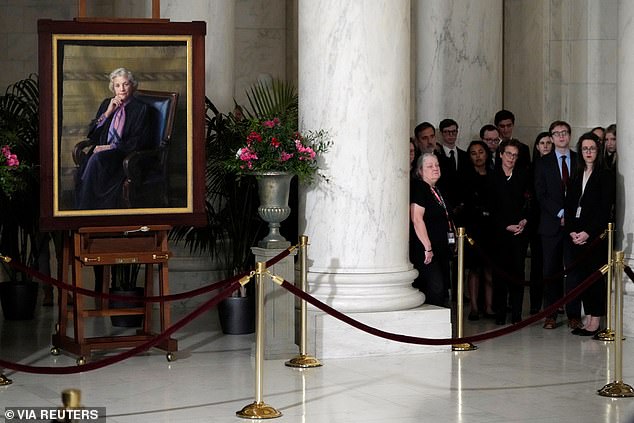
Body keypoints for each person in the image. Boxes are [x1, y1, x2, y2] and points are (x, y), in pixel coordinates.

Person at [75, 67, 150, 209]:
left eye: (126, 84)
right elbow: (92, 134)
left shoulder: (141, 109)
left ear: (132, 86)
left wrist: (111, 147)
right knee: (88, 160)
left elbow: (139, 141)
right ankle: (85, 209)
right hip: (103, 153)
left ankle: (84, 209)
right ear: (113, 88)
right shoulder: (106, 103)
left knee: (96, 160)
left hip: (123, 155)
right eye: (117, 85)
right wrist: (108, 112)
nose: (121, 89)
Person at [564, 132, 615, 336]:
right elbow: (569, 206)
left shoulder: (606, 175)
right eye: (585, 149)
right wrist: (572, 232)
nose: (588, 152)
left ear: (598, 150)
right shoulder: (577, 174)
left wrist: (587, 233)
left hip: (594, 237)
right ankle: (588, 318)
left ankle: (596, 320)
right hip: (576, 236)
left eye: (592, 148)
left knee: (594, 279)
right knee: (581, 278)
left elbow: (604, 210)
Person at [534, 120, 578, 329]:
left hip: (574, 226)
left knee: (573, 269)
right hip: (551, 225)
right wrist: (560, 213)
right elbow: (540, 194)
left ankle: (573, 314)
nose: (561, 136)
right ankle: (550, 314)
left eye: (564, 132)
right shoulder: (543, 163)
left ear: (569, 135)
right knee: (550, 270)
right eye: (557, 133)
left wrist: (570, 215)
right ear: (551, 138)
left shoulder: (579, 160)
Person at [489, 139, 531, 324]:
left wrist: (524, 220)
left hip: (519, 233)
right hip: (499, 233)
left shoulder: (523, 175)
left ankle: (516, 313)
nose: (511, 158)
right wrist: (505, 225)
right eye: (508, 154)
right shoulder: (491, 177)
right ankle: (499, 313)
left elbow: (529, 202)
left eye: (515, 155)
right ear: (500, 154)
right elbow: (489, 208)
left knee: (518, 273)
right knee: (499, 274)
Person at [410, 153, 453, 307]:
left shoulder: (436, 189)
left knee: (441, 291)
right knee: (435, 288)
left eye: (437, 165)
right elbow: (417, 218)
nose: (435, 169)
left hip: (441, 249)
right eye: (430, 166)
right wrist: (427, 247)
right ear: (420, 171)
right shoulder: (420, 187)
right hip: (427, 251)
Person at [463, 140, 494, 320]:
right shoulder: (466, 177)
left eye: (481, 152)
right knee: (474, 269)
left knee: (489, 268)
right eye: (473, 153)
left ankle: (489, 306)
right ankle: (474, 307)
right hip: (473, 228)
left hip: (490, 228)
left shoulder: (493, 174)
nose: (478, 156)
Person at [527, 131, 553, 314]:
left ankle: (554, 303)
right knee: (537, 264)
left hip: (553, 220)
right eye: (542, 142)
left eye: (549, 143)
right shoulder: (531, 167)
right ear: (536, 146)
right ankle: (535, 304)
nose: (545, 146)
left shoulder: (559, 166)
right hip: (536, 221)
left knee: (553, 265)